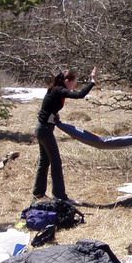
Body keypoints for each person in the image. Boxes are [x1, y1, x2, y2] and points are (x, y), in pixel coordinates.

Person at [33, 67, 97, 203]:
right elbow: (80, 95)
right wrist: (92, 82)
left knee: (45, 161)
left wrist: (55, 116)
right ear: (67, 81)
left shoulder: (56, 90)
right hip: (44, 130)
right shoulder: (59, 90)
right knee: (56, 162)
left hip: (42, 129)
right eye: (74, 82)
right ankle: (60, 196)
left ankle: (38, 194)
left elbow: (49, 108)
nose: (75, 85)